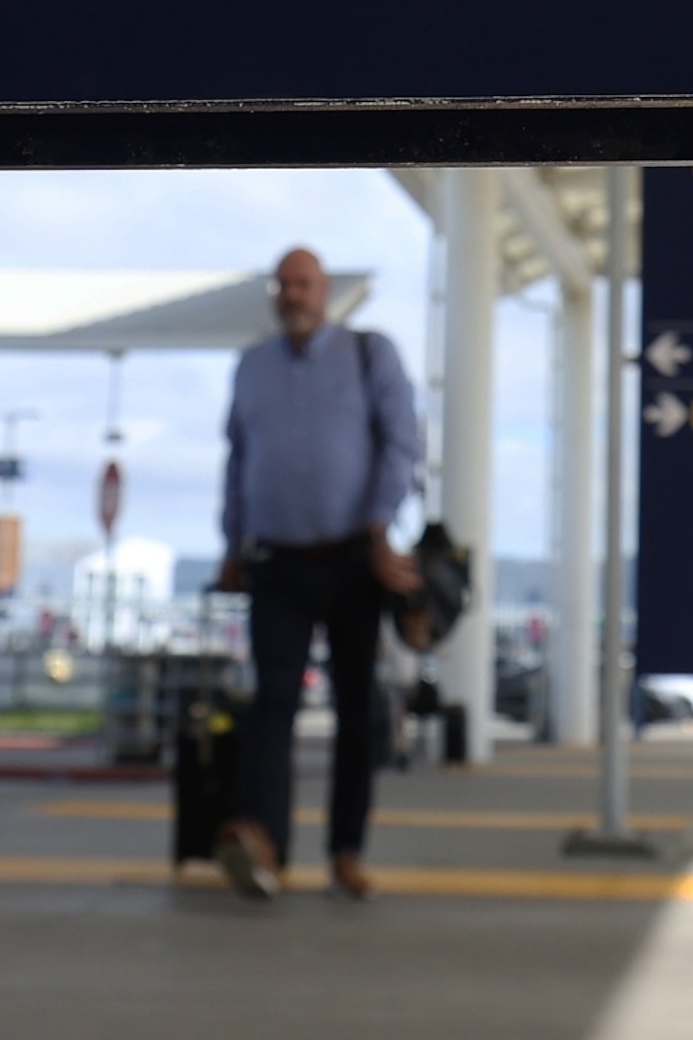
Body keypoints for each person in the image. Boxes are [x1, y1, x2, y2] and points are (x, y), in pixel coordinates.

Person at [213, 246, 423, 900]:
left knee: (357, 710)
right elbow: (237, 459)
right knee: (272, 703)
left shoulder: (370, 354)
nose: (292, 295)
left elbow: (404, 442)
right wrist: (231, 542)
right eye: (283, 285)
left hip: (356, 559)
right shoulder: (250, 367)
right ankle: (264, 844)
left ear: (326, 291)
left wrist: (382, 522)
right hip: (275, 561)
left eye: (303, 284)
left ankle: (345, 851)